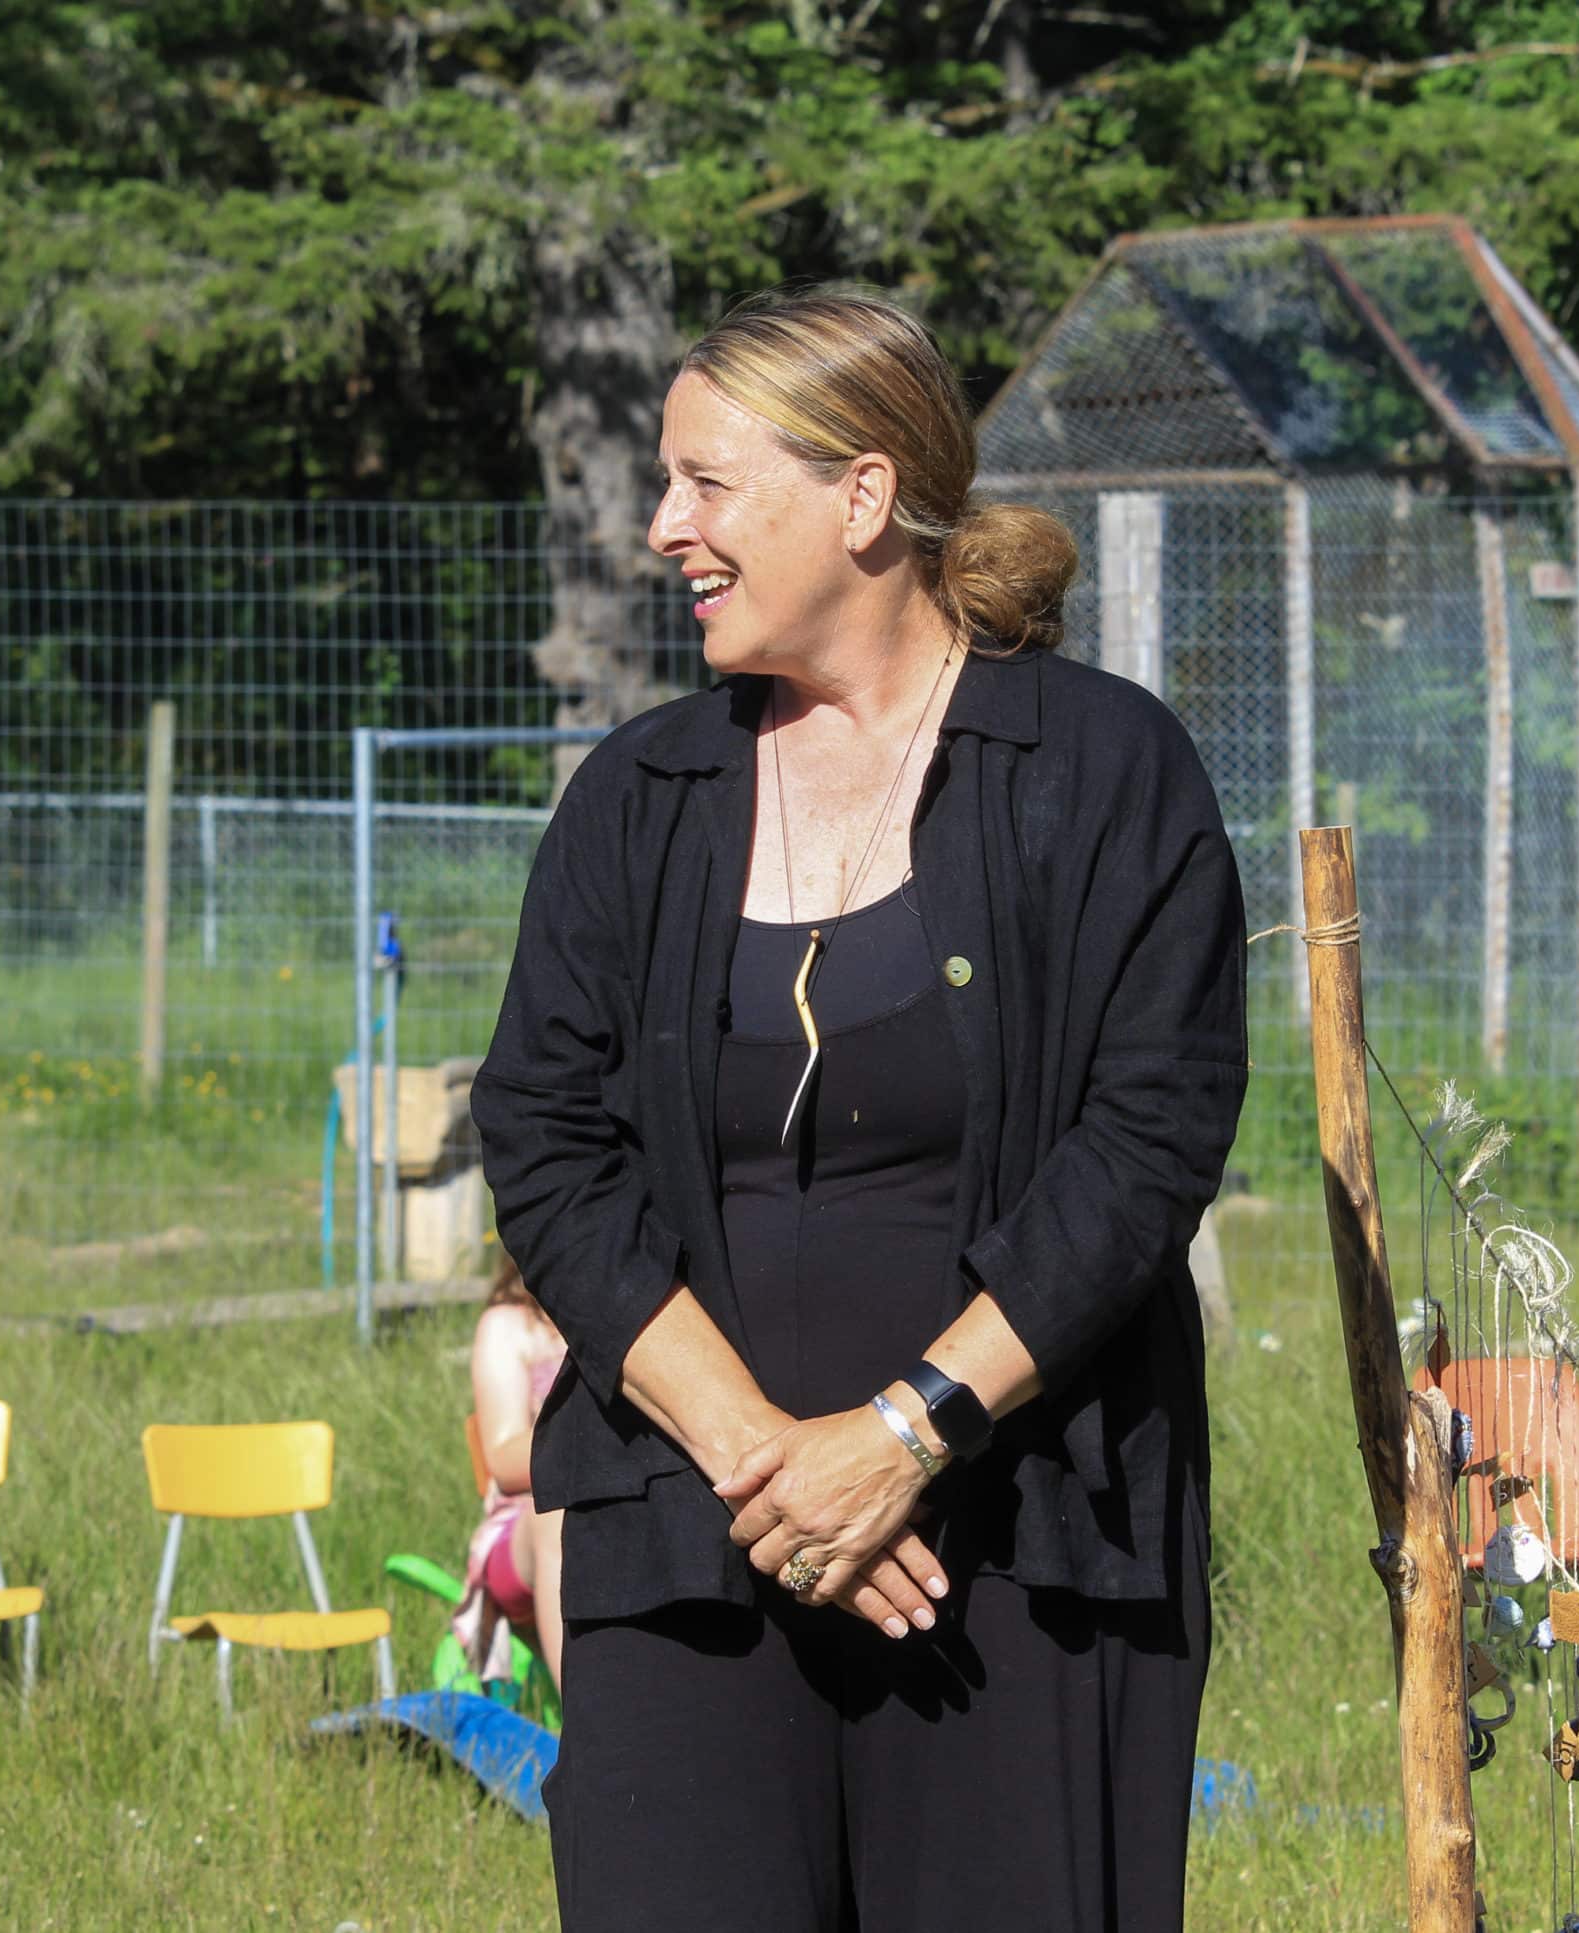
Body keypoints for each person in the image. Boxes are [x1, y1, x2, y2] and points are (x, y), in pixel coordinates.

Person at [473, 284, 1247, 1931]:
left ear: (865, 496)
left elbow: (1147, 1143)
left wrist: (905, 1436)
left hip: (1017, 1543)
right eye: (664, 483)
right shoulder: (639, 800)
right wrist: (772, 1463)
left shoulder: (1103, 775)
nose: (664, 526)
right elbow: (544, 1138)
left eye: (707, 482)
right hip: (686, 1531)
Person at [456, 1248, 567, 1693]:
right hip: (523, 1525)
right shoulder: (512, 1326)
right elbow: (503, 1459)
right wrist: (600, 1445)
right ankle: (582, 1732)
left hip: (628, 1507)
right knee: (556, 1514)